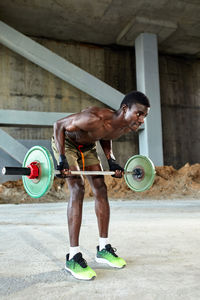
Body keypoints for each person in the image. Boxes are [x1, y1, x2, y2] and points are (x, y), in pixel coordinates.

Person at [51, 90, 150, 280]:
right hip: (67, 144)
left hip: (88, 147)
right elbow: (59, 126)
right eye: (139, 113)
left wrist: (111, 161)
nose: (142, 119)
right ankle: (73, 257)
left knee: (101, 189)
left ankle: (103, 248)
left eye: (144, 115)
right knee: (78, 188)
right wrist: (62, 159)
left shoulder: (123, 126)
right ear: (125, 109)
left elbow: (106, 136)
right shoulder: (94, 118)